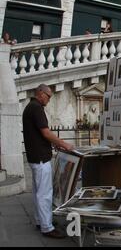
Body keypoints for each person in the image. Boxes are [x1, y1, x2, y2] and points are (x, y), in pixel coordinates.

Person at [22, 84, 74, 239]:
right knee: (45, 193)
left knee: (38, 192)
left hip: (35, 157)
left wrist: (53, 144)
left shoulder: (30, 107)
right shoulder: (36, 108)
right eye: (48, 96)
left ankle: (41, 221)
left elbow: (39, 134)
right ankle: (47, 227)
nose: (49, 100)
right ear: (40, 93)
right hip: (40, 159)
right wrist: (64, 144)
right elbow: (45, 132)